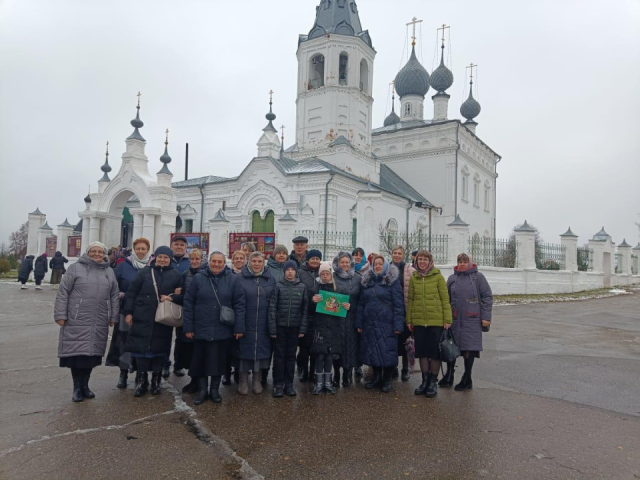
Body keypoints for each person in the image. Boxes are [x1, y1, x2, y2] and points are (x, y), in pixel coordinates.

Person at [54, 241, 119, 402]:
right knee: (77, 355)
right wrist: (60, 315)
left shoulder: (109, 271)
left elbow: (114, 295)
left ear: (104, 253)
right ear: (87, 253)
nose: (97, 254)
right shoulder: (75, 268)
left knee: (91, 355)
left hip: (99, 319)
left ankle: (85, 386)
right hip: (77, 318)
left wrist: (113, 317)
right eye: (93, 251)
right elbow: (63, 292)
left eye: (100, 251)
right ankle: (76, 387)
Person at [183, 251, 246, 404]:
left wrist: (239, 327)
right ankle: (203, 390)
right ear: (209, 261)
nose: (216, 264)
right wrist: (188, 327)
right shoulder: (199, 278)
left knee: (219, 360)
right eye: (214, 261)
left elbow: (239, 304)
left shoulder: (232, 279)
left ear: (224, 263)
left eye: (220, 261)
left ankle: (215, 390)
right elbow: (188, 303)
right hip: (201, 327)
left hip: (222, 328)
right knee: (202, 360)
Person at [124, 246, 184, 397]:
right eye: (160, 257)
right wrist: (129, 313)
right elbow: (131, 293)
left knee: (159, 350)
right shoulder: (144, 272)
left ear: (170, 259)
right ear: (155, 257)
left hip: (162, 319)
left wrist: (172, 297)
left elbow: (183, 295)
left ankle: (156, 381)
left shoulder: (176, 275)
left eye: (166, 257)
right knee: (141, 350)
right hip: (142, 316)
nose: (162, 260)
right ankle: (141, 381)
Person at [406, 250, 452, 398]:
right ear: (416, 261)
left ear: (430, 262)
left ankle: (433, 381)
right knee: (422, 352)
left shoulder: (438, 277)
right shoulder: (414, 278)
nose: (423, 262)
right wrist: (409, 320)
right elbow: (411, 300)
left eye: (426, 259)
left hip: (436, 321)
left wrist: (447, 319)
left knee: (435, 353)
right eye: (420, 259)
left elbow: (445, 299)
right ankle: (424, 381)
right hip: (419, 321)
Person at [356, 255, 405, 393]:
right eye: (375, 264)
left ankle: (387, 379)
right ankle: (377, 377)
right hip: (370, 323)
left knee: (387, 350)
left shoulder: (392, 282)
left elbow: (399, 305)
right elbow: (361, 304)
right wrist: (359, 322)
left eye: (380, 264)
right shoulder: (367, 282)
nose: (377, 266)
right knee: (373, 350)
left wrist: (398, 325)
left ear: (385, 266)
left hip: (387, 323)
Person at [446, 253, 493, 391]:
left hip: (472, 319)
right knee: (451, 348)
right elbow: (446, 300)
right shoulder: (451, 279)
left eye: (465, 261)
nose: (462, 264)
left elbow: (487, 297)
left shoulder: (478, 277)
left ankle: (467, 378)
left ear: (470, 263)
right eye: (459, 261)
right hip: (454, 320)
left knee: (469, 349)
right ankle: (449, 375)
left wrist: (486, 317)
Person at [109, 237, 152, 389]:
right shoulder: (123, 266)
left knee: (143, 343)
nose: (140, 252)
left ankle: (141, 374)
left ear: (148, 250)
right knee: (124, 342)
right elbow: (113, 287)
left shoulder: (152, 267)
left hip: (145, 312)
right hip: (125, 309)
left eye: (143, 249)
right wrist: (120, 294)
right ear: (134, 250)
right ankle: (123, 373)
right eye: (138, 249)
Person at [235, 251, 276, 394]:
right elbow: (237, 303)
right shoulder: (239, 278)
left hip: (263, 322)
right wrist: (239, 325)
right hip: (246, 320)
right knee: (244, 350)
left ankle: (257, 379)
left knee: (261, 350)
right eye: (254, 261)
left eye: (260, 261)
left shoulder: (270, 279)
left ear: (264, 263)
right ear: (249, 262)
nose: (257, 264)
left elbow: (274, 303)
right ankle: (243, 379)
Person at [268, 259, 309, 397]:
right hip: (280, 327)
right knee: (279, 356)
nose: (290, 272)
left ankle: (289, 384)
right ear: (284, 271)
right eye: (288, 270)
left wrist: (302, 328)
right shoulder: (278, 286)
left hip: (294, 327)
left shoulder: (302, 287)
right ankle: (278, 384)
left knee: (291, 356)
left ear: (296, 271)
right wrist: (272, 328)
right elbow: (272, 308)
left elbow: (305, 310)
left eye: (292, 270)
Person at [310, 262, 344, 395]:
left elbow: (343, 309)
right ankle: (318, 383)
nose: (325, 276)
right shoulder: (315, 289)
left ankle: (328, 383)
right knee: (319, 355)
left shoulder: (338, 290)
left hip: (333, 328)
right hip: (319, 327)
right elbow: (309, 309)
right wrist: (313, 301)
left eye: (327, 274)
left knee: (330, 356)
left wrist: (346, 306)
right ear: (320, 275)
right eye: (322, 274)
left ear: (331, 275)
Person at [331, 252, 361, 387]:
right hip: (337, 318)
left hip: (352, 318)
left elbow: (361, 299)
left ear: (351, 264)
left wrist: (351, 306)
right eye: (342, 262)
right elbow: (328, 297)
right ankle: (336, 373)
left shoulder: (357, 278)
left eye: (347, 262)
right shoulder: (332, 277)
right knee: (338, 346)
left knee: (351, 346)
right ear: (337, 264)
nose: (344, 265)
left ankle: (347, 374)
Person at [164, 235, 191, 378]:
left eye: (182, 244)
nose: (179, 247)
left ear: (186, 247)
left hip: (184, 303)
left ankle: (178, 365)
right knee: (164, 336)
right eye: (176, 244)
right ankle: (164, 364)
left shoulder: (190, 261)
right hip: (167, 302)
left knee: (181, 337)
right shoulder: (166, 259)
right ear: (172, 246)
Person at [178, 248, 204, 394]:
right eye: (192, 259)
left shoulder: (205, 275)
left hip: (202, 318)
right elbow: (182, 294)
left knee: (199, 351)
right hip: (188, 316)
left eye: (197, 259)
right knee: (189, 351)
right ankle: (193, 380)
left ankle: (199, 381)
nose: (194, 262)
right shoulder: (185, 274)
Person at [262, 244, 289, 385]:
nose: (281, 255)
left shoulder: (290, 268)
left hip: (284, 314)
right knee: (268, 347)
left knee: (281, 349)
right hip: (270, 310)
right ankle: (263, 374)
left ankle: (281, 376)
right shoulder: (267, 269)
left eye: (284, 253)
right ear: (274, 254)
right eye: (279, 253)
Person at [296, 249, 322, 382]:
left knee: (316, 346)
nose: (315, 261)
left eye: (317, 258)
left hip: (319, 314)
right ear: (308, 259)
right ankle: (303, 370)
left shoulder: (322, 272)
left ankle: (313, 372)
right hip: (305, 313)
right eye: (313, 258)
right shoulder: (301, 272)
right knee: (304, 346)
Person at [391, 245, 415, 382]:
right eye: (395, 253)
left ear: (403, 254)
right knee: (392, 340)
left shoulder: (409, 270)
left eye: (399, 253)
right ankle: (393, 366)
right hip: (391, 310)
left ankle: (405, 368)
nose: (397, 255)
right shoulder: (387, 269)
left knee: (406, 340)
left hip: (405, 309)